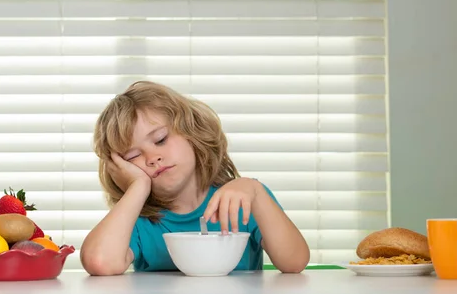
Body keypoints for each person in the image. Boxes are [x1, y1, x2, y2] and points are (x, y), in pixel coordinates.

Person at [81, 81, 310, 275]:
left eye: (160, 139)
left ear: (192, 132)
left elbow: (295, 261)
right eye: (133, 156)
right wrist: (138, 187)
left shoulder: (246, 199)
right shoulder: (138, 220)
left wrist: (256, 191)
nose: (153, 158)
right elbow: (100, 262)